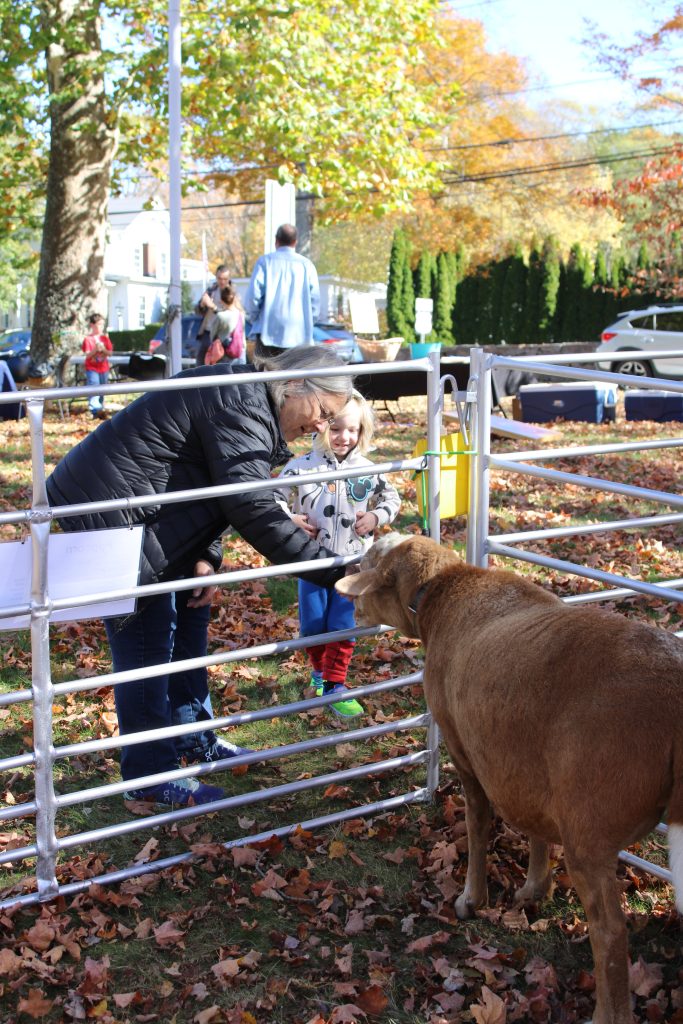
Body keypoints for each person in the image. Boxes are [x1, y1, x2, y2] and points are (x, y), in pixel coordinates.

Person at [46, 347, 354, 811]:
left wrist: (205, 556)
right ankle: (148, 775)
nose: (321, 426)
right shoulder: (242, 402)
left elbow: (204, 481)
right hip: (112, 517)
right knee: (148, 648)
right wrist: (338, 571)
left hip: (153, 512)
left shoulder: (248, 398)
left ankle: (190, 739)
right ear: (294, 385)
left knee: (190, 617)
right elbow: (250, 505)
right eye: (323, 412)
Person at [276, 390, 400, 719]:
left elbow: (393, 499)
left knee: (342, 624)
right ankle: (319, 673)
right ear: (320, 428)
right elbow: (271, 496)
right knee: (314, 626)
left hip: (353, 564)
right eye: (336, 429)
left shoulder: (369, 469)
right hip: (313, 561)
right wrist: (291, 519)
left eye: (353, 430)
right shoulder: (302, 467)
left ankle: (336, 684)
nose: (344, 437)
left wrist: (376, 517)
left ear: (363, 432)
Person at [244, 223, 320, 359]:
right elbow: (315, 302)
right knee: (295, 379)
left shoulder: (265, 262)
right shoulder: (306, 265)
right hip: (299, 337)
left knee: (266, 378)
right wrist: (308, 322)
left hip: (268, 334)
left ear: (276, 241)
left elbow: (253, 297)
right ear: (295, 242)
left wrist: (255, 319)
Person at [195, 264, 232, 366]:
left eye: (225, 279)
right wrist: (202, 305)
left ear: (229, 278)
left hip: (224, 335)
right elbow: (197, 311)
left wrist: (212, 306)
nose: (222, 281)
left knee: (221, 366)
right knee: (201, 363)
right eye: (219, 278)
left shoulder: (231, 292)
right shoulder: (211, 290)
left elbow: (228, 315)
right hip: (208, 332)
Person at [81, 313, 113, 419]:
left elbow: (110, 352)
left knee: (103, 388)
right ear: (92, 325)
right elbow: (87, 355)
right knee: (94, 387)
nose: (101, 327)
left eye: (102, 324)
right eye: (99, 324)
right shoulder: (88, 339)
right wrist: (95, 350)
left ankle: (100, 407)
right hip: (92, 367)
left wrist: (103, 350)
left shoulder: (105, 338)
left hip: (103, 367)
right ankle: (95, 410)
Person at [206, 285, 246, 366]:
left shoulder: (220, 316)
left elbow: (212, 335)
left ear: (221, 300)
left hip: (223, 355)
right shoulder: (241, 314)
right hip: (240, 353)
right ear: (234, 298)